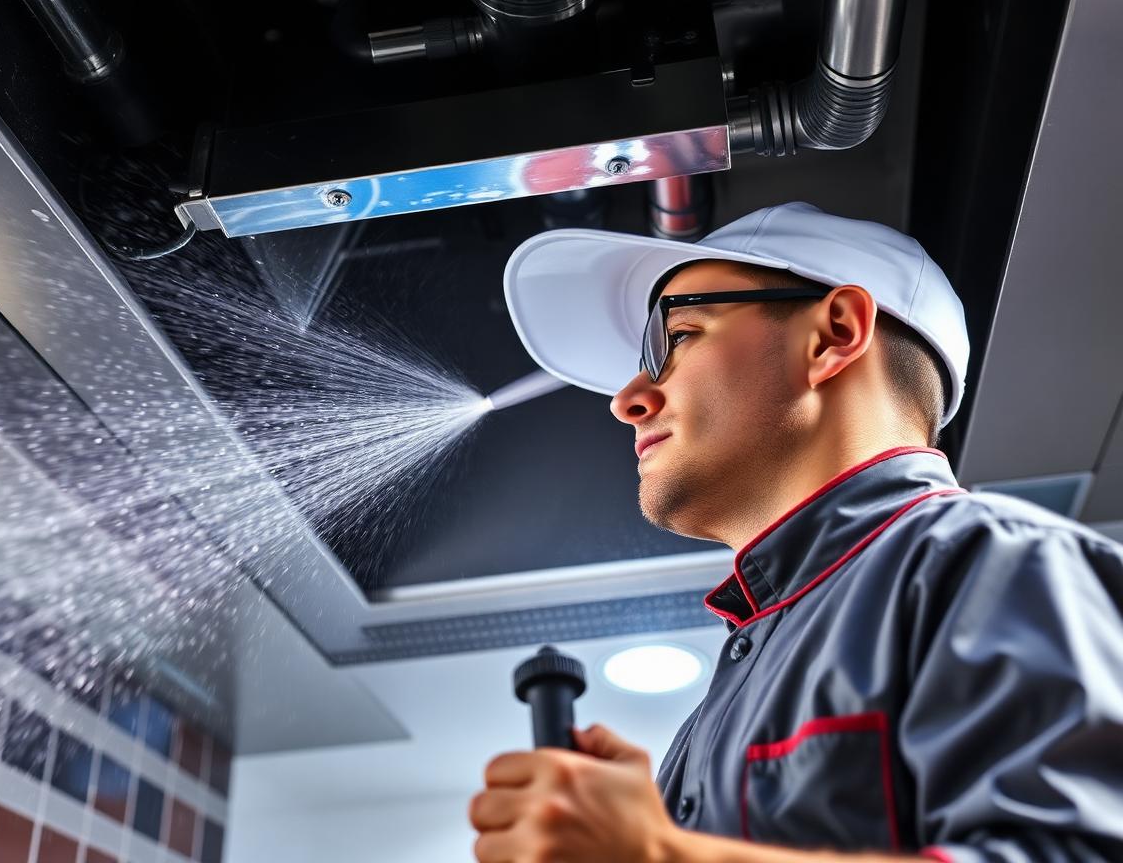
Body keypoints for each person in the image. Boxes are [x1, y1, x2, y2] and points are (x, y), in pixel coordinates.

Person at [469, 202, 1123, 863]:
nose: (627, 398)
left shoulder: (1001, 563)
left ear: (833, 335)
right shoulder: (718, 711)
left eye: (676, 336)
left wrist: (661, 854)